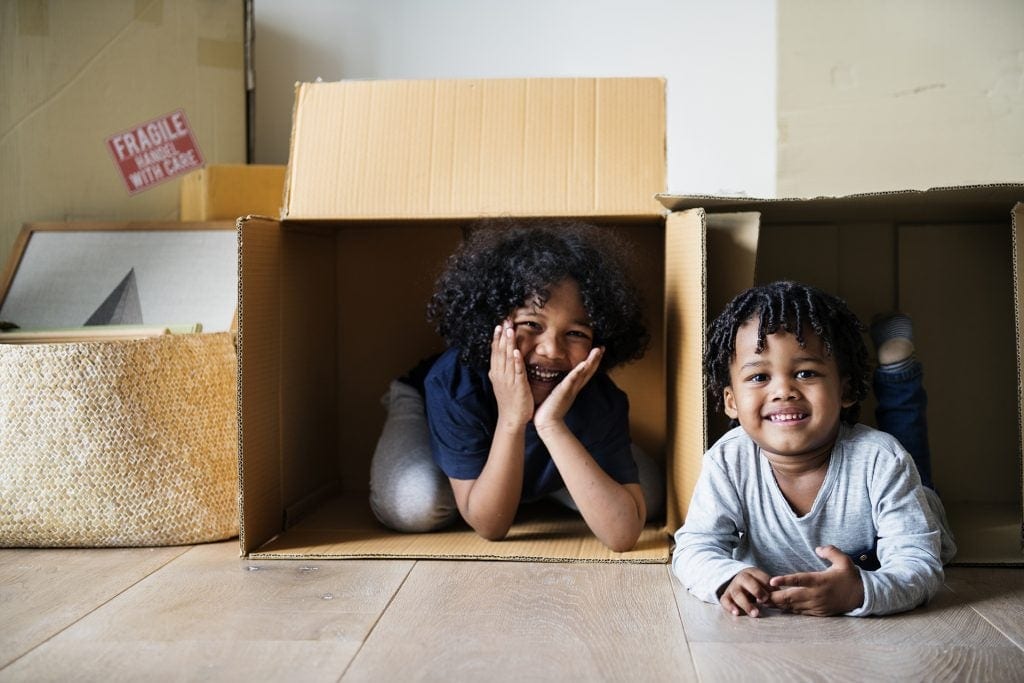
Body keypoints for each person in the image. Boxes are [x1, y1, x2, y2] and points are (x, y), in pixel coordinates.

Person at [369, 218, 665, 552]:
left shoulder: (599, 396)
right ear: (491, 324)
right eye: (530, 324)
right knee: (416, 504)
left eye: (576, 333)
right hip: (427, 408)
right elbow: (491, 526)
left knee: (648, 497)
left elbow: (623, 534)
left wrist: (550, 424)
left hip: (543, 436)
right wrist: (511, 417)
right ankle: (482, 484)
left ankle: (520, 484)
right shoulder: (455, 383)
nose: (551, 350)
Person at [672, 280, 956, 618]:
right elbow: (694, 546)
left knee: (904, 442)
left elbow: (918, 564)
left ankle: (898, 370)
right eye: (759, 377)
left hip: (908, 495)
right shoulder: (728, 461)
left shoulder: (883, 461)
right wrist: (724, 578)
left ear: (845, 390)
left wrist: (859, 592)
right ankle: (893, 366)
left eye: (806, 372)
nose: (783, 390)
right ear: (730, 401)